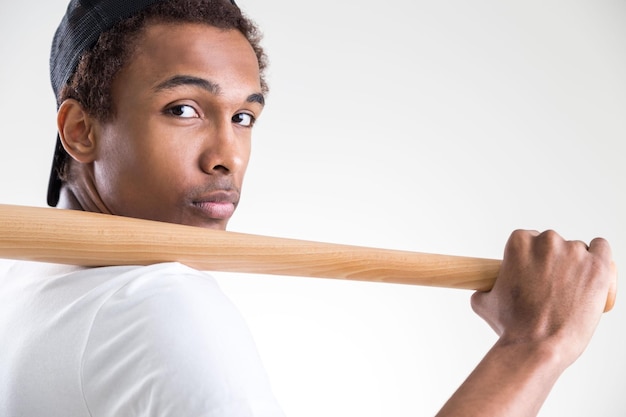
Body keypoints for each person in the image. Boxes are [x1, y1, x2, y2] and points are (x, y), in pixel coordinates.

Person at [0, 0, 616, 416]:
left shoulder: (21, 282)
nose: (227, 157)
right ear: (80, 129)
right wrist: (534, 347)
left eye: (243, 117)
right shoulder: (156, 307)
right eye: (184, 109)